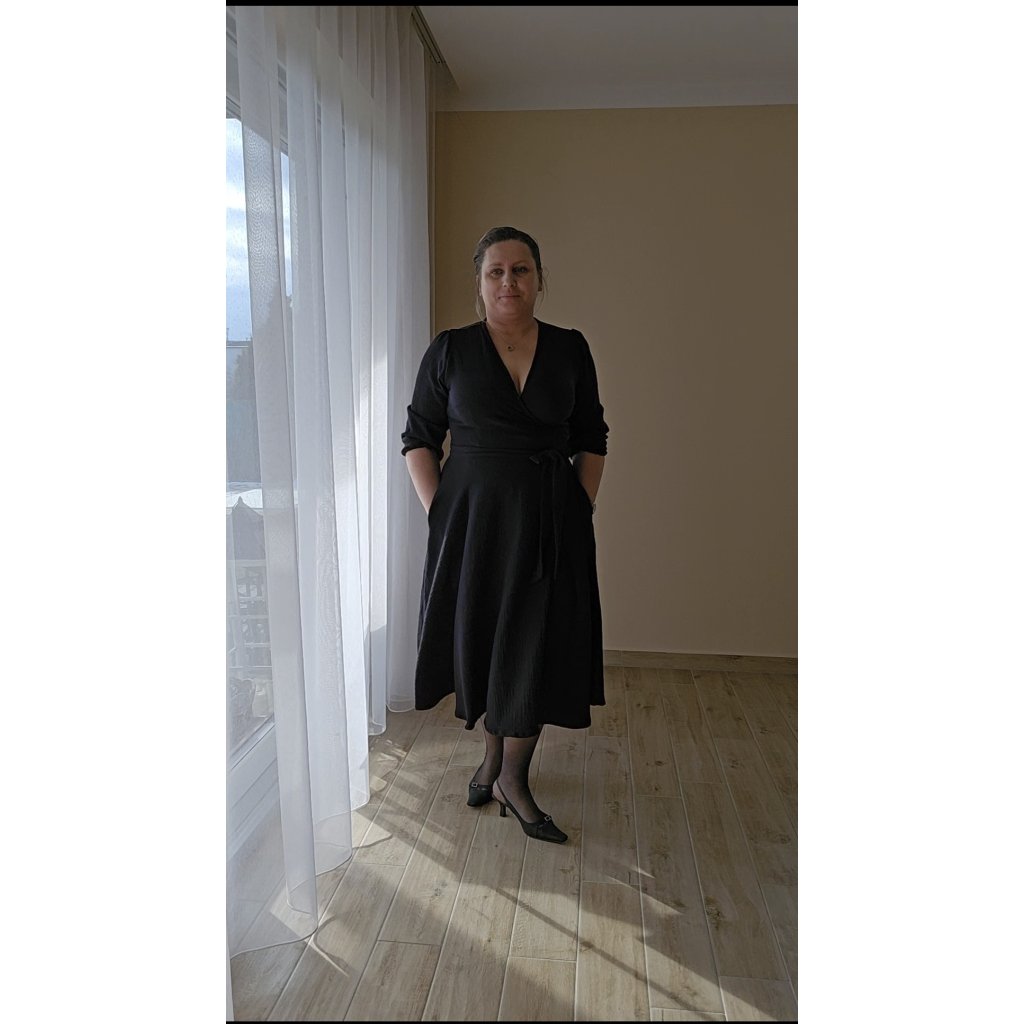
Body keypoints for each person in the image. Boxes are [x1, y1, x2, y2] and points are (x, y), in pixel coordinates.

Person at [400, 226, 609, 845]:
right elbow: (418, 437)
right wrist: (443, 513)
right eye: (496, 271)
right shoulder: (450, 349)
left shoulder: (570, 348)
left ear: (539, 278)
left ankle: (512, 778)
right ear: (480, 282)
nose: (509, 282)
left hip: (551, 523)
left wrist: (579, 508)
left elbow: (592, 436)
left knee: (533, 645)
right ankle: (492, 764)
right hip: (474, 527)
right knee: (491, 640)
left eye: (521, 270)